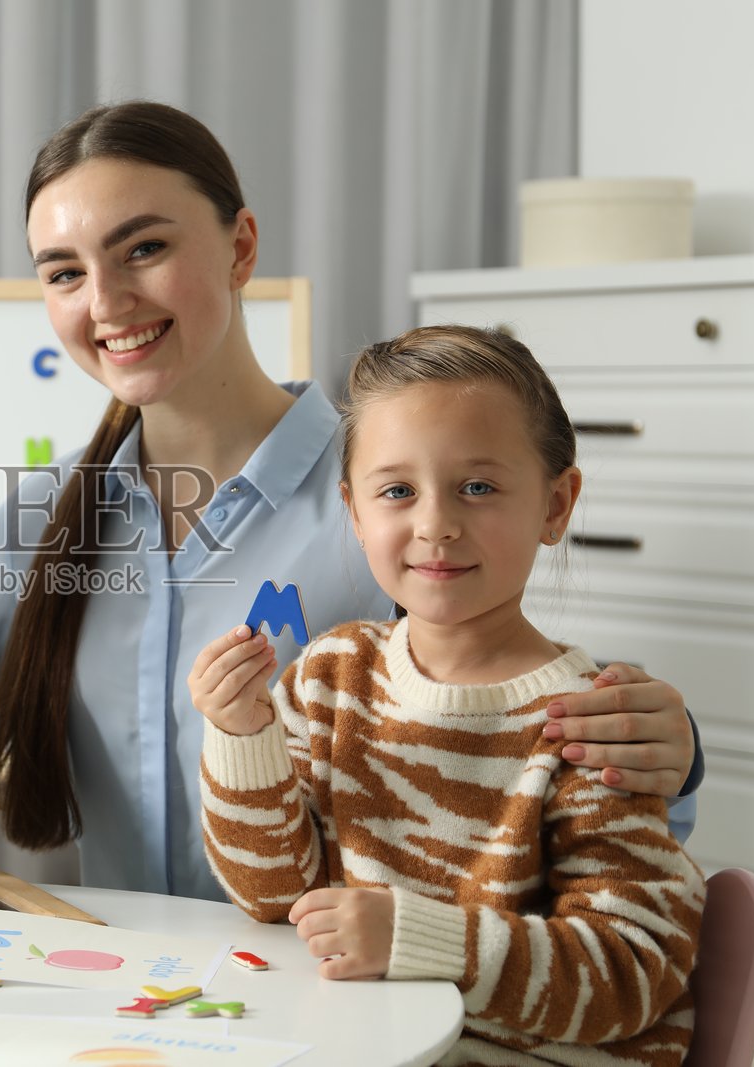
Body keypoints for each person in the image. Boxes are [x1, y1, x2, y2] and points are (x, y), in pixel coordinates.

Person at [0, 100, 703, 902]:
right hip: (116, 989)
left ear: (241, 246)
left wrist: (669, 748)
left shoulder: (392, 505)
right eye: (65, 272)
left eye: (144, 247)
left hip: (340, 993)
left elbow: (523, 752)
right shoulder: (30, 523)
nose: (105, 301)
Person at [189, 324, 703, 1064]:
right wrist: (242, 735)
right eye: (397, 490)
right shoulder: (329, 677)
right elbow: (274, 896)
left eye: (479, 487)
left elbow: (630, 973)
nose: (435, 524)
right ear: (355, 511)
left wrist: (416, 938)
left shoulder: (587, 725)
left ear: (556, 505)